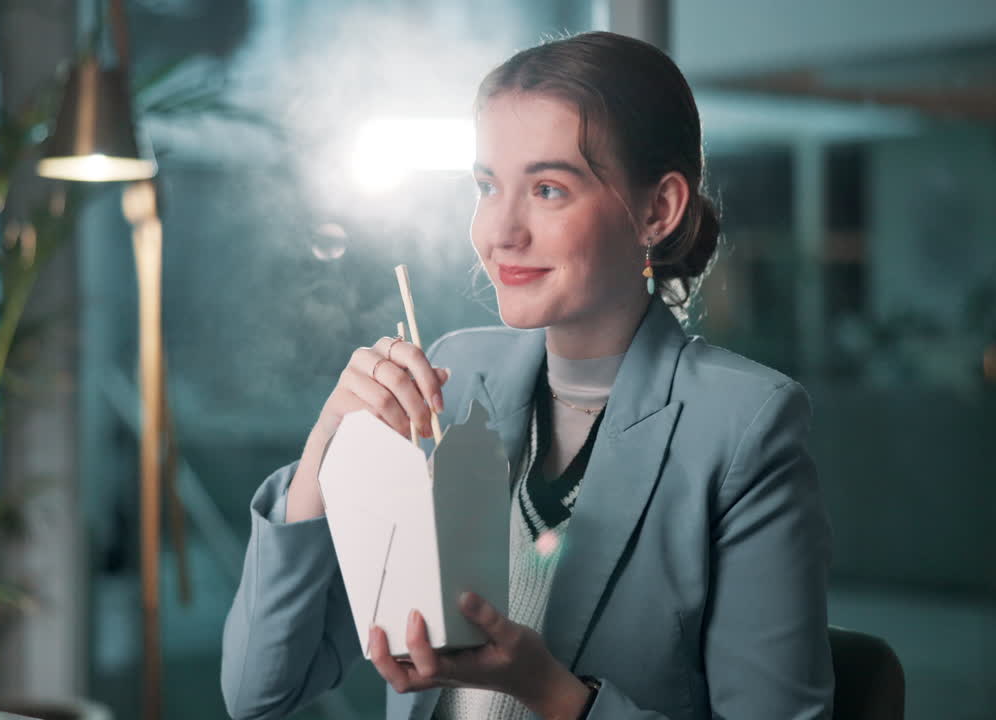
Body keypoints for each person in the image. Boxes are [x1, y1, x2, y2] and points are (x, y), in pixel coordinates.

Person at [221, 30, 834, 720]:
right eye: (487, 185)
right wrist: (323, 453)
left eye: (547, 189)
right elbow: (260, 691)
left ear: (658, 211)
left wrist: (551, 692)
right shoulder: (451, 383)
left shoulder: (744, 428)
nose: (498, 231)